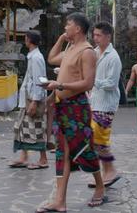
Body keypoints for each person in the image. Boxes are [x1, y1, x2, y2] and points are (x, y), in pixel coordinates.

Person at [38, 12, 105, 212]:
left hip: (77, 108)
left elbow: (88, 83)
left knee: (84, 150)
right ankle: (60, 200)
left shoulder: (87, 52)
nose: (65, 28)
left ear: (77, 28)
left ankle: (100, 186)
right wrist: (61, 39)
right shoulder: (71, 48)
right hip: (62, 106)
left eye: (68, 25)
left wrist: (60, 85)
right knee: (62, 153)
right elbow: (51, 59)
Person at [87, 21, 122, 188]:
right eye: (94, 35)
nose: (95, 38)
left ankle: (110, 171)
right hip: (94, 101)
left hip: (106, 104)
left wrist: (92, 81)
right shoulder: (94, 53)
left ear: (108, 36)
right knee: (97, 140)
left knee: (98, 139)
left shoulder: (113, 57)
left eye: (98, 35)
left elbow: (111, 83)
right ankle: (107, 171)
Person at [10, 31, 49, 169]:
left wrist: (35, 101)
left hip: (32, 98)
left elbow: (39, 81)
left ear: (29, 40)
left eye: (26, 38)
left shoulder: (37, 58)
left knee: (36, 129)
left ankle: (43, 159)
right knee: (22, 128)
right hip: (26, 97)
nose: (24, 40)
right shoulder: (32, 56)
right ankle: (24, 156)